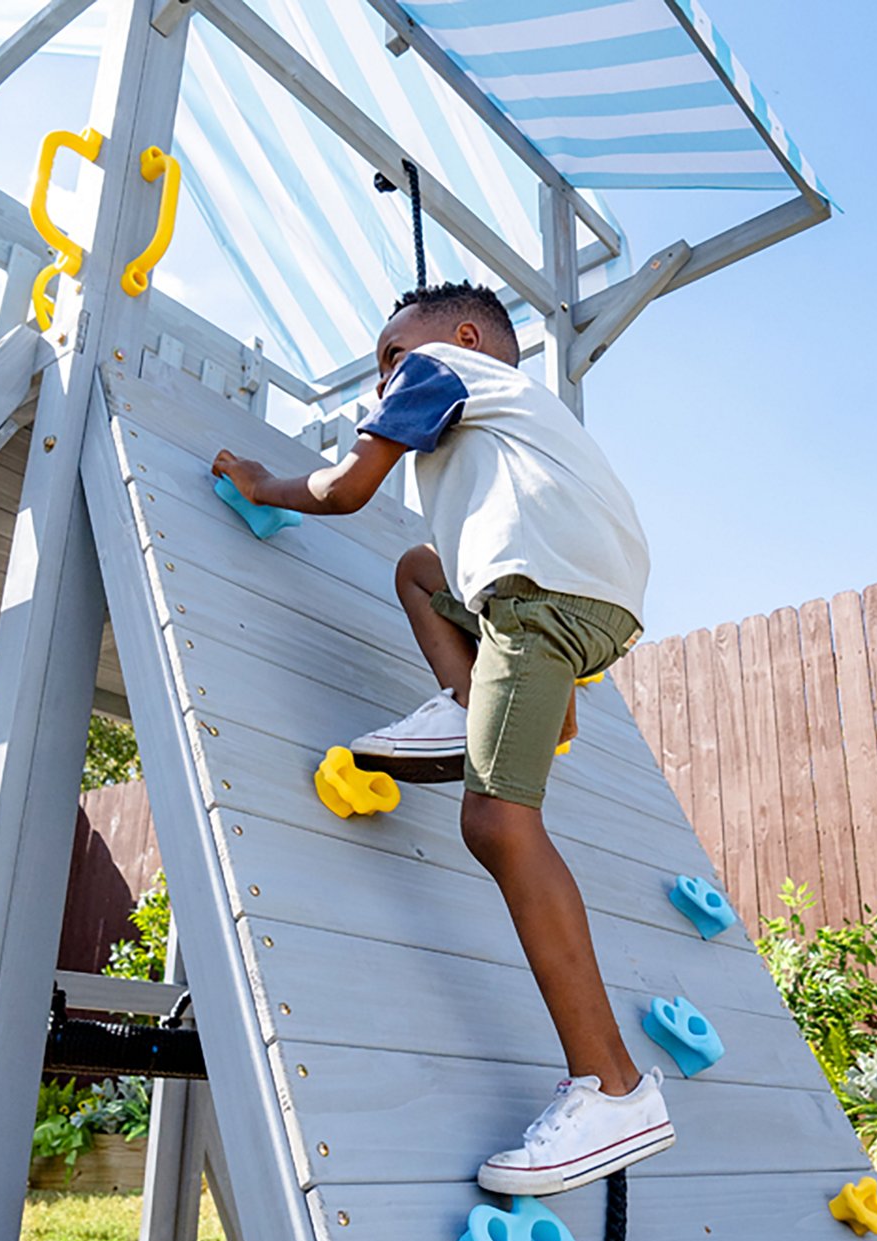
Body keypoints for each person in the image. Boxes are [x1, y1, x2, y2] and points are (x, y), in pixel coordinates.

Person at [211, 281, 673, 1195]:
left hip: (538, 596)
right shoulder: (521, 420)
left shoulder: (438, 369)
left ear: (463, 338)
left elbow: (348, 489)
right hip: (590, 599)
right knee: (421, 572)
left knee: (496, 825)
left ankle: (614, 1088)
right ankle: (480, 705)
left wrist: (264, 484)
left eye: (387, 357)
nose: (384, 378)